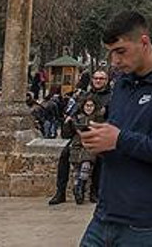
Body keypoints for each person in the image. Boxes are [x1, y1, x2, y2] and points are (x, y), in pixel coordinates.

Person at [78, 10, 152, 247]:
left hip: (147, 225)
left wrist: (120, 140)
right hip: (105, 216)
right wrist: (101, 141)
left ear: (144, 42)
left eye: (121, 51)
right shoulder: (123, 83)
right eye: (111, 53)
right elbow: (122, 139)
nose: (114, 61)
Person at [50, 68, 112, 205]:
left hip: (99, 134)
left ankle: (94, 192)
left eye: (101, 79)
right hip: (80, 135)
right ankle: (60, 192)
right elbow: (73, 113)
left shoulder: (111, 97)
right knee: (65, 154)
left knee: (100, 157)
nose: (98, 81)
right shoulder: (84, 95)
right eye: (96, 78)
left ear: (106, 81)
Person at [65, 97, 105, 204]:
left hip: (90, 145)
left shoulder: (98, 118)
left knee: (86, 164)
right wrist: (67, 123)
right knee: (77, 169)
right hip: (77, 145)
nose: (89, 108)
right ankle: (78, 189)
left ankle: (80, 186)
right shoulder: (76, 118)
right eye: (87, 106)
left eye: (91, 106)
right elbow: (67, 134)